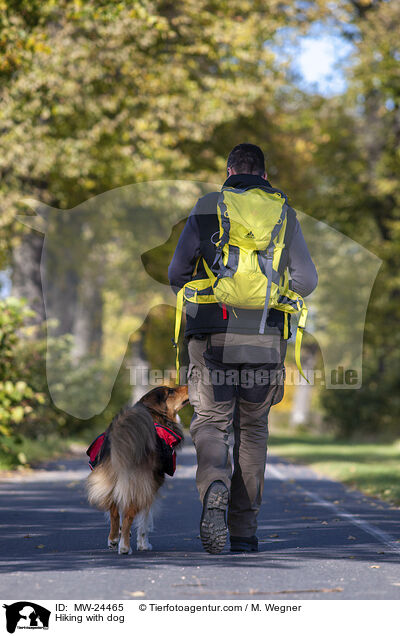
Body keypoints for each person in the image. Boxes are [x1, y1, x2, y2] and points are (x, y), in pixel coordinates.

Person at [168, 143, 318, 553]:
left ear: (229, 171)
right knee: (252, 429)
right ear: (265, 177)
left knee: (212, 423)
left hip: (212, 334)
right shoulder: (284, 214)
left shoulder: (208, 206)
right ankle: (244, 531)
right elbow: (306, 282)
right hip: (266, 338)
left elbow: (177, 272)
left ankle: (214, 486)